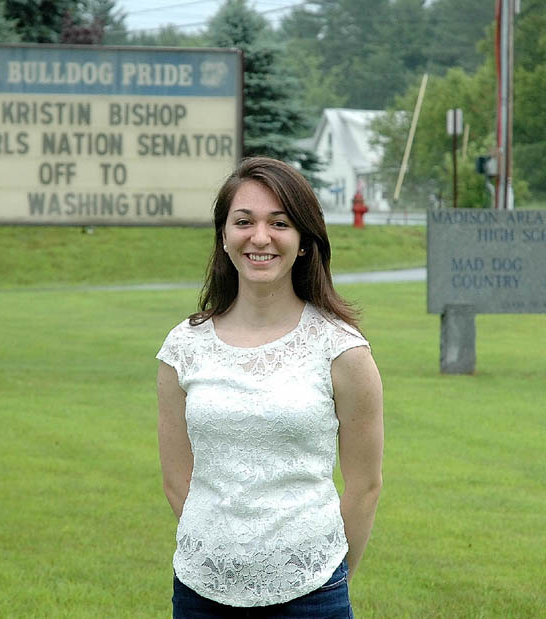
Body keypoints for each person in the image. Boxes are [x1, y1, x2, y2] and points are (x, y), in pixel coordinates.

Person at [156, 157, 383, 617]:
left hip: (313, 595)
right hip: (201, 592)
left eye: (279, 223)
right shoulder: (183, 348)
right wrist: (228, 560)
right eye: (244, 221)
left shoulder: (342, 350)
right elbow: (178, 481)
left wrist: (319, 574)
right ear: (224, 236)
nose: (260, 237)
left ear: (302, 240)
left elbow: (364, 487)